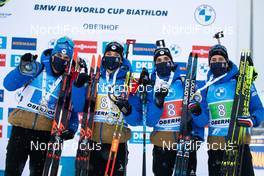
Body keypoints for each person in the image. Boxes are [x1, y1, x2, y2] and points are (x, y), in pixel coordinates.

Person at [3, 36, 79, 176]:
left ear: (69, 61)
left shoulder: (68, 81)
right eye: (58, 55)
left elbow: (72, 109)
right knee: (12, 172)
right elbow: (8, 85)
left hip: (45, 135)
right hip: (21, 130)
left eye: (65, 58)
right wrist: (22, 69)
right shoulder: (36, 68)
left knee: (39, 173)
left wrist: (72, 128)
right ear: (52, 54)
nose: (61, 59)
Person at [192, 44, 264, 176]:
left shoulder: (241, 82)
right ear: (209, 64)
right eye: (213, 60)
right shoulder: (205, 87)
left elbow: (259, 109)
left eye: (220, 59)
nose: (217, 62)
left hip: (239, 144)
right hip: (216, 147)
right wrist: (196, 112)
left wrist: (252, 120)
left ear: (227, 61)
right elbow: (202, 122)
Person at [74, 41, 134, 176]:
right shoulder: (93, 78)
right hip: (92, 140)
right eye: (108, 54)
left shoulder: (128, 83)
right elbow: (78, 107)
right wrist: (78, 87)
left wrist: (128, 110)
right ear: (104, 56)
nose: (112, 57)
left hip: (117, 143)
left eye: (115, 55)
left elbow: (136, 120)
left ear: (122, 59)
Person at [149, 45, 204, 176]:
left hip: (186, 142)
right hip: (162, 144)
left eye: (166, 58)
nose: (163, 62)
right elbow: (149, 121)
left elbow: (197, 112)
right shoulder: (150, 86)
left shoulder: (184, 82)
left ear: (172, 62)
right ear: (155, 64)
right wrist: (158, 103)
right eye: (159, 60)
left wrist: (198, 136)